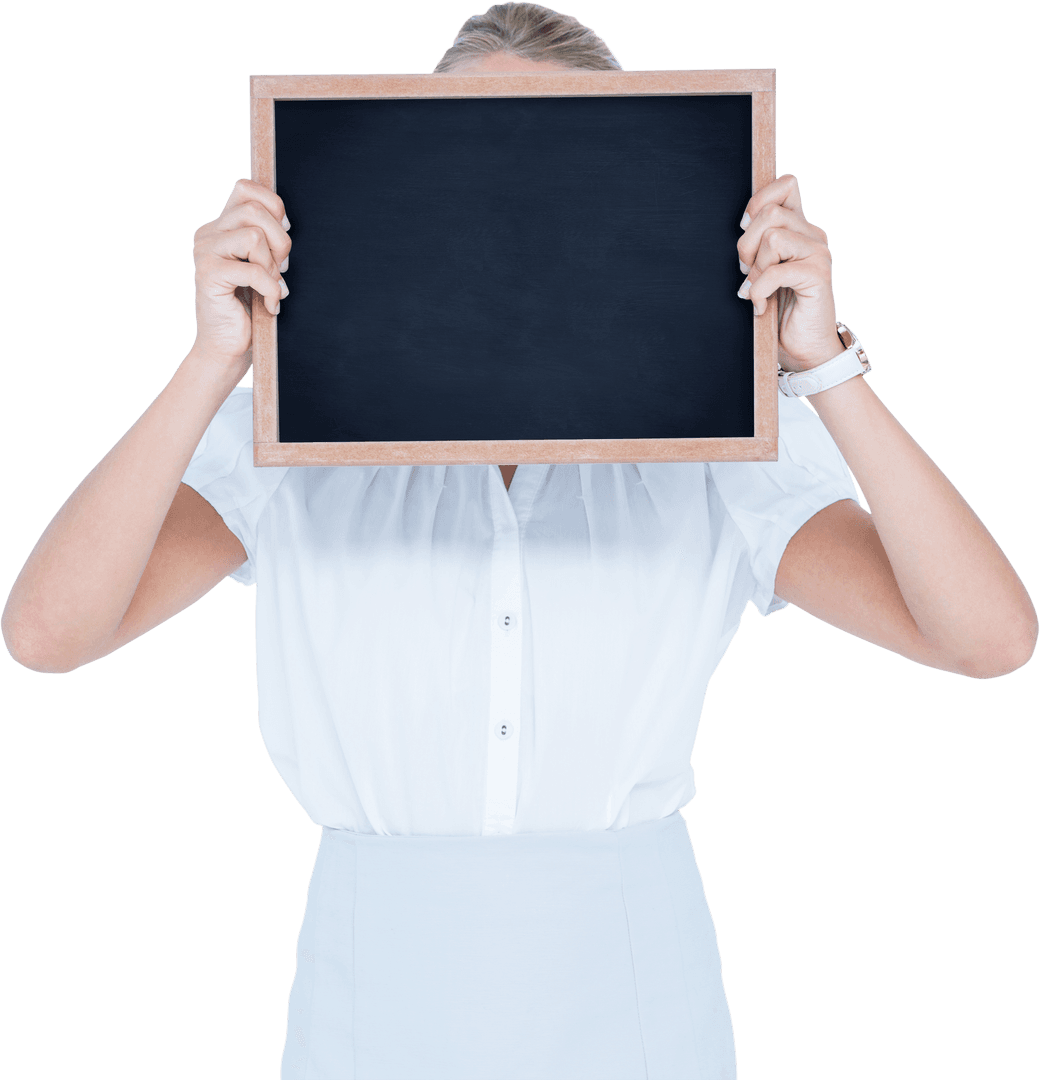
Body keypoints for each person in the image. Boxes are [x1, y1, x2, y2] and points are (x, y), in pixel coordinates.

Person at [2, 3, 1035, 1077]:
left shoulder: (719, 448)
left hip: (634, 988)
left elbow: (985, 639)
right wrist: (217, 359)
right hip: (373, 991)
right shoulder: (283, 439)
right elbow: (47, 633)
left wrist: (818, 366)